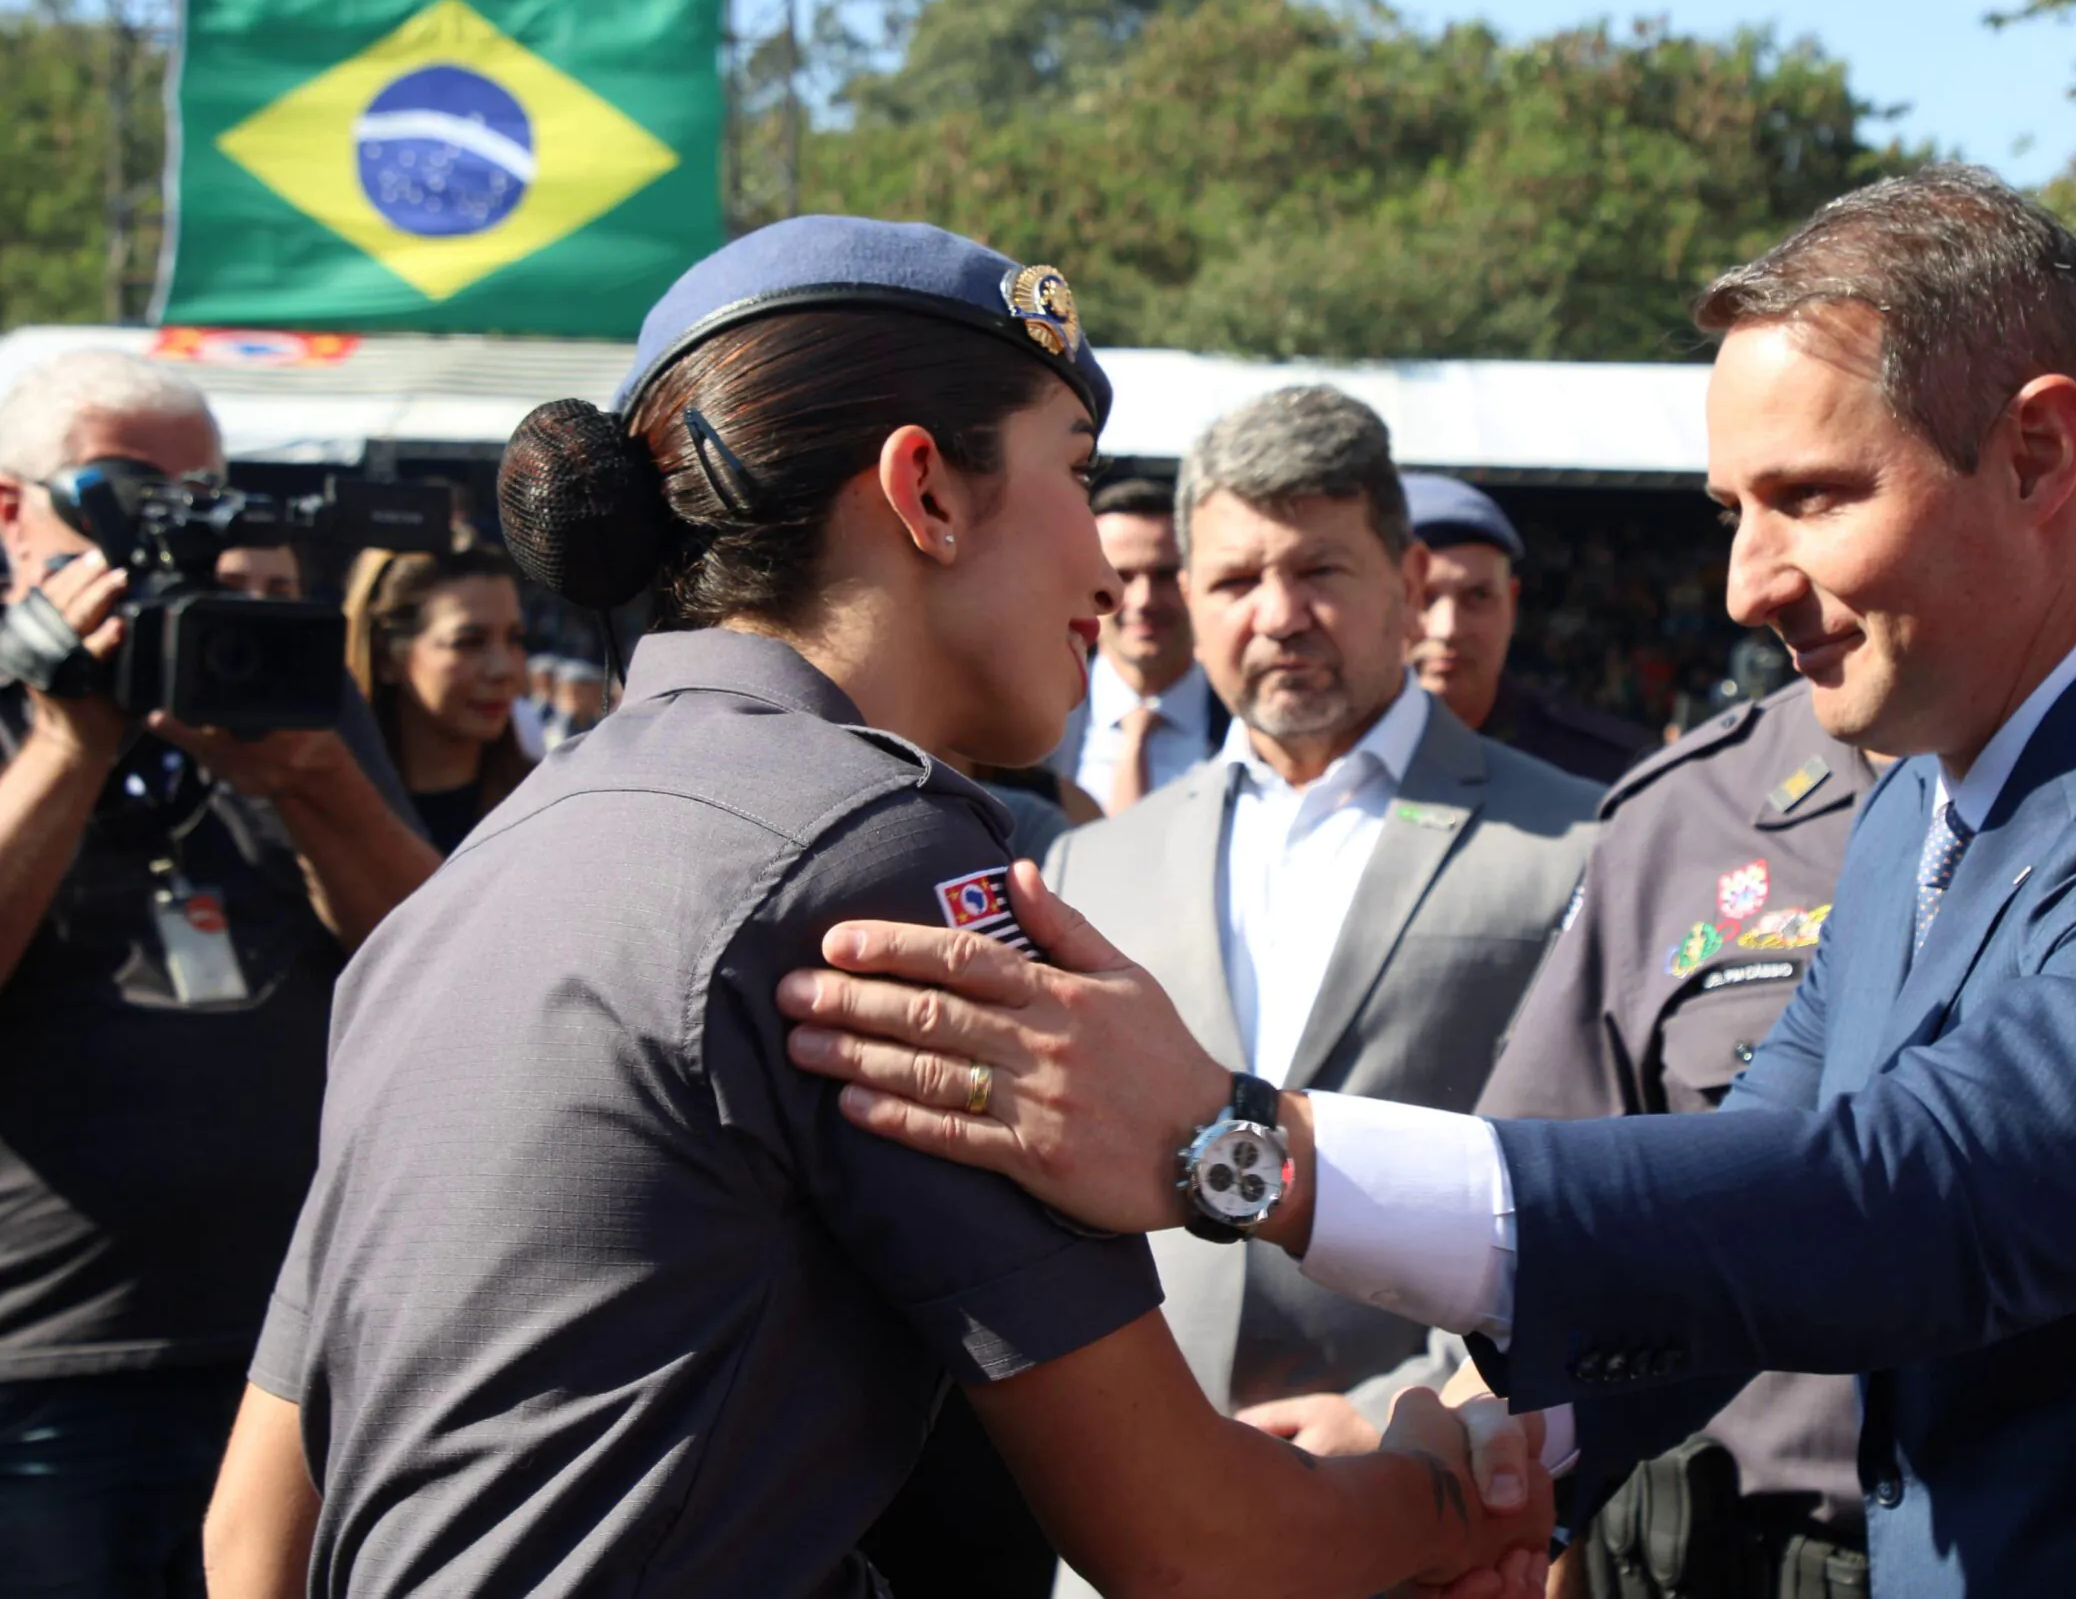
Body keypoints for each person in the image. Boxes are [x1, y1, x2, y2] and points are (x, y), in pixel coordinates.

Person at [776, 167, 2076, 1596]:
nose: (1746, 584)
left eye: (1809, 496)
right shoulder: (1918, 818)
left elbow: (1909, 1207)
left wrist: (1251, 1149)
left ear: (2040, 451)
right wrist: (1464, 1447)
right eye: (1731, 509)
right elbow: (1746, 1222)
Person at [200, 219, 1550, 1599]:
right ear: (926, 491)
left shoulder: (484, 868)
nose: (1103, 568)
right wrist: (1455, 1494)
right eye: (1075, 475)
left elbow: (249, 1540)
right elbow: (1199, 1541)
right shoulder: (875, 857)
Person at [1032, 387, 1597, 1599]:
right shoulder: (1094, 866)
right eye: (1236, 579)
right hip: (1126, 1538)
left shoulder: (1575, 843)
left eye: (1319, 569)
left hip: (1428, 1514)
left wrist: (1426, 1413)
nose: (1279, 615)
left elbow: (1594, 1187)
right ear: (1186, 594)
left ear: (1405, 577)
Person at [0, 349, 437, 1599]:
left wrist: (315, 777)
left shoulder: (280, 671)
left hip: (298, 1350)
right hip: (44, 1365)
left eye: (206, 495)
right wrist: (66, 742)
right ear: (9, 509)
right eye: (123, 493)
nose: (175, 531)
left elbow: (440, 961)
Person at [1476, 678, 1873, 1599]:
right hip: (1708, 1555)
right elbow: (1539, 1236)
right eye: (1735, 523)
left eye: (1811, 517)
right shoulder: (1687, 811)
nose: (1751, 586)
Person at [1403, 472, 1654, 783]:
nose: (1448, 628)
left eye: (1478, 597)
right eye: (1421, 599)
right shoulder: (1331, 760)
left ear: (1511, 604)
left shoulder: (1607, 771)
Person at [343, 539, 536, 856]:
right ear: (386, 658)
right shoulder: (333, 807)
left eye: (514, 638)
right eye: (469, 642)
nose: (503, 669)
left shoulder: (545, 805)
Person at [1052, 472, 1226, 813]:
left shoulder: (1249, 723)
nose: (1144, 600)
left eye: (1165, 576)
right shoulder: (1032, 721)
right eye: (1122, 576)